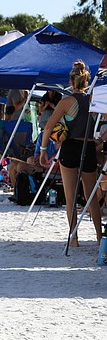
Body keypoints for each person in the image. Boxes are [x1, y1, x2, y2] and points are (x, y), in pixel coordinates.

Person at [40, 61, 101, 247]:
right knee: (91, 196)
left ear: (71, 81)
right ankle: (100, 237)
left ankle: (74, 238)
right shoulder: (94, 99)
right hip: (88, 147)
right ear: (86, 81)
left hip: (70, 148)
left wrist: (43, 150)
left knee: (70, 197)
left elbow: (49, 125)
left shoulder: (66, 101)